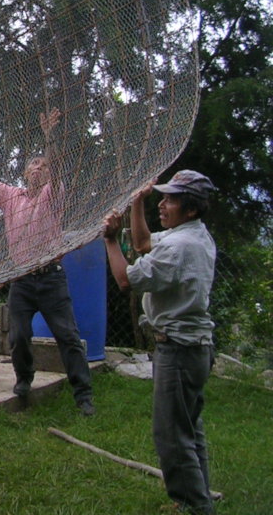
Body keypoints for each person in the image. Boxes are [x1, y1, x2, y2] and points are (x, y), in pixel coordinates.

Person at [0, 108, 95, 415]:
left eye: (43, 166)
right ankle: (23, 381)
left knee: (68, 337)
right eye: (34, 164)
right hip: (22, 279)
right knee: (19, 336)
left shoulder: (54, 192)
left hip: (51, 278)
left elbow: (59, 169)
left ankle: (83, 395)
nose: (39, 168)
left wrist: (50, 140)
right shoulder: (10, 196)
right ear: (24, 172)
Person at [102, 171, 218, 515]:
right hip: (193, 347)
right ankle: (198, 500)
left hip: (180, 349)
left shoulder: (181, 247)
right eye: (162, 198)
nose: (163, 205)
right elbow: (143, 245)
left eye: (170, 200)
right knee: (188, 430)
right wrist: (138, 202)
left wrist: (109, 240)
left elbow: (126, 280)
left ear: (191, 209)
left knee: (171, 436)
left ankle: (195, 506)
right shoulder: (191, 235)